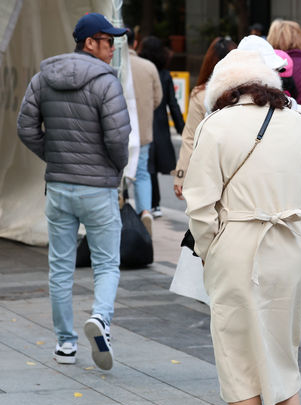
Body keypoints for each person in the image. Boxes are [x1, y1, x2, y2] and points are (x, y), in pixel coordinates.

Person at [183, 49, 301, 405]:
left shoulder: (216, 125)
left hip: (238, 245)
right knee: (281, 348)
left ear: (226, 88)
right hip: (290, 244)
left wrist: (209, 250)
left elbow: (200, 205)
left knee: (238, 360)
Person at [16, 12, 130, 370]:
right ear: (90, 43)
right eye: (108, 41)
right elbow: (118, 137)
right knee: (107, 263)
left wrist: (55, 156)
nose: (112, 48)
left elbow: (25, 127)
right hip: (98, 188)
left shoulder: (42, 78)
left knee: (60, 267)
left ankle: (65, 343)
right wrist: (114, 168)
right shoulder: (107, 82)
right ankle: (101, 319)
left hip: (59, 187)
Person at [173, 36, 237, 200]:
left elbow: (190, 137)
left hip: (209, 171)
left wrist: (181, 175)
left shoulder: (201, 94)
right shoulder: (248, 93)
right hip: (239, 168)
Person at [139, 36, 185, 216]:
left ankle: (149, 204)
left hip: (143, 122)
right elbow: (173, 104)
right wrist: (182, 129)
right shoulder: (165, 75)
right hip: (160, 125)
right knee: (154, 165)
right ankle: (155, 204)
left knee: (145, 165)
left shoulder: (141, 71)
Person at [126, 28, 162, 235]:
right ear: (135, 43)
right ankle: (145, 211)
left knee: (116, 173)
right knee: (141, 172)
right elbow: (158, 98)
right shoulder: (149, 67)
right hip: (142, 131)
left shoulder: (113, 65)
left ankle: (120, 206)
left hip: (117, 130)